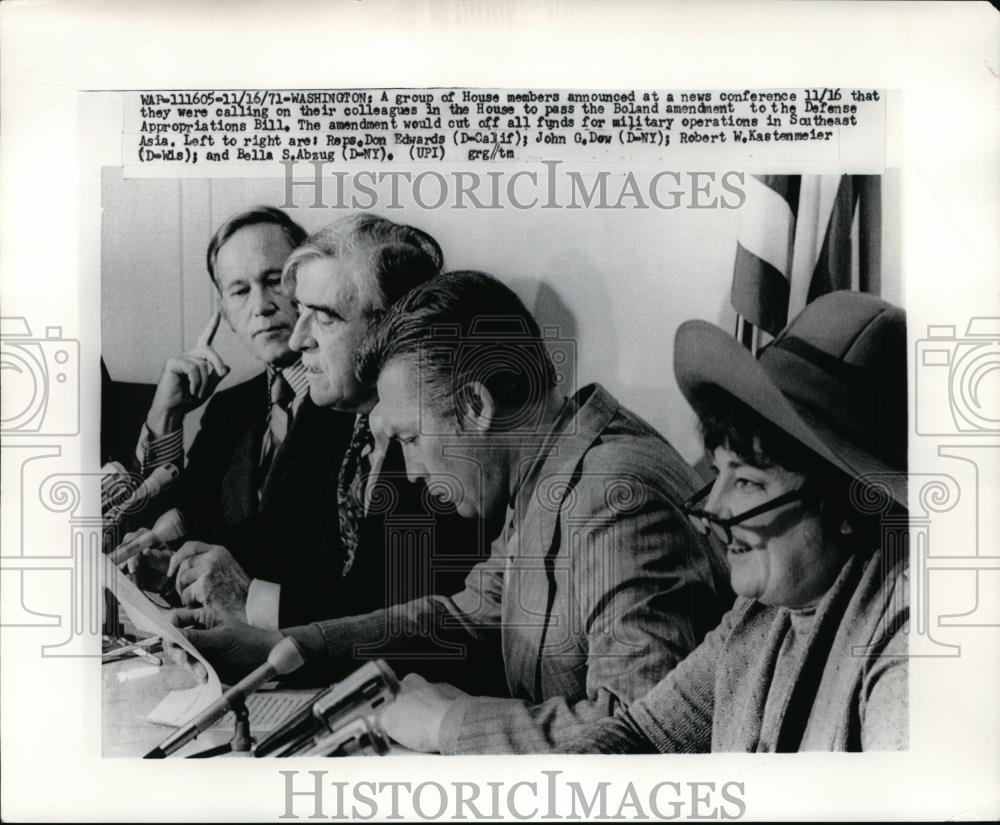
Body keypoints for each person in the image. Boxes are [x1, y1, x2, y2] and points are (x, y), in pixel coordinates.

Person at [172, 270, 732, 754]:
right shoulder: (551, 463)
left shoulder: (615, 501)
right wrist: (289, 647)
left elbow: (647, 734)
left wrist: (448, 722)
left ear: (475, 405)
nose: (412, 472)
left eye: (413, 438)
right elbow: (464, 614)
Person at [558, 290, 909, 753]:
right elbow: (639, 734)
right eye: (718, 472)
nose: (714, 512)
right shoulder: (758, 616)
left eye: (747, 482)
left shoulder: (907, 649)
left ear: (849, 505)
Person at [165, 215, 487, 628]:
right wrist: (188, 562)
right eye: (301, 312)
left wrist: (251, 600)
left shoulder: (441, 440)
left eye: (324, 317)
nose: (299, 341)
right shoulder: (338, 415)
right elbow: (282, 531)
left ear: (390, 329)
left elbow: (396, 616)